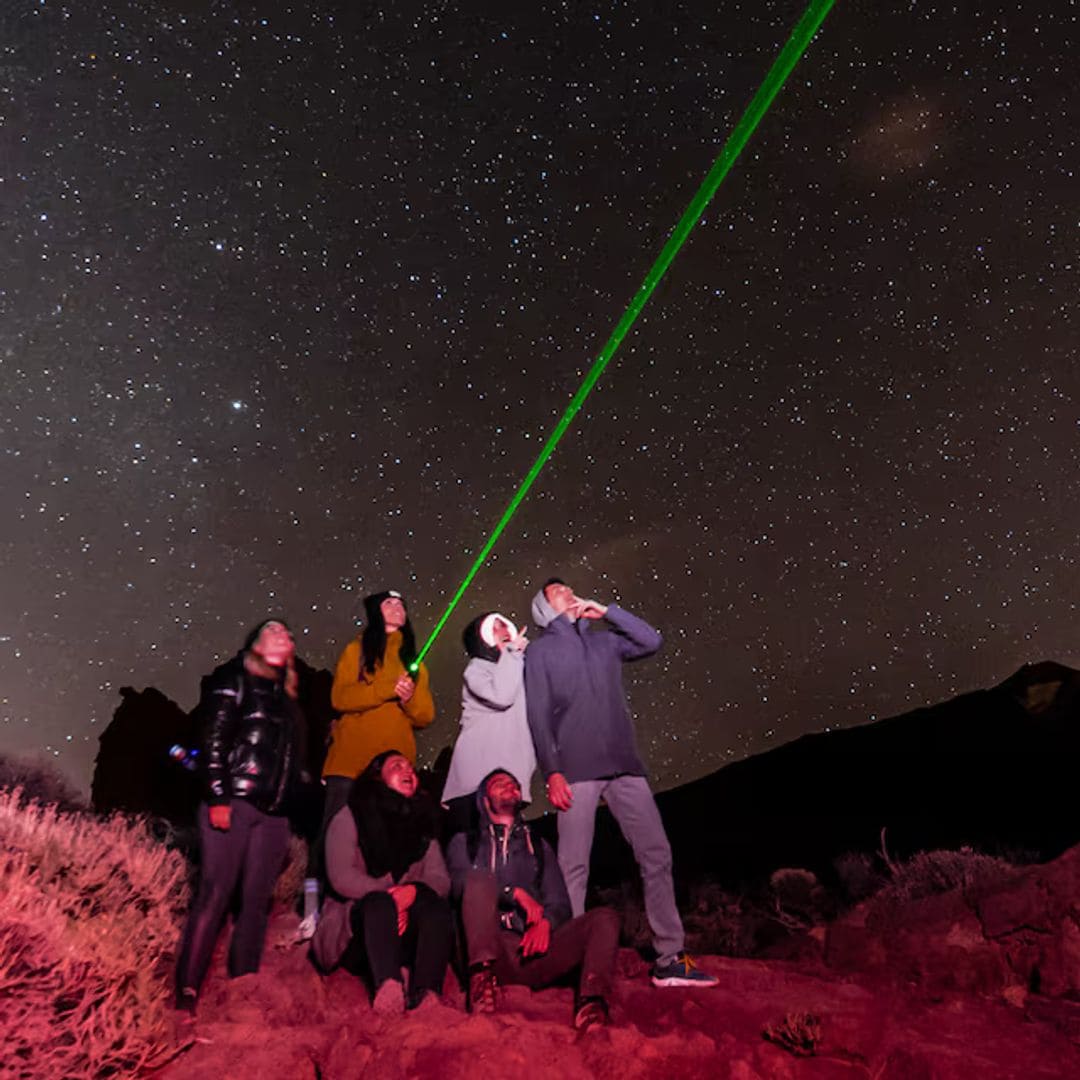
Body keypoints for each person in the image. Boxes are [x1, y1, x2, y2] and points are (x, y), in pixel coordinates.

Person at [525, 579, 717, 988]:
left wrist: (608, 612)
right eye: (559, 591)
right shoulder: (541, 652)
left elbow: (651, 641)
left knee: (656, 854)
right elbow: (538, 715)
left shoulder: (606, 642)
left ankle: (670, 958)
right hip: (575, 770)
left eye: (569, 588)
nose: (570, 592)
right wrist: (552, 771)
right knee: (572, 865)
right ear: (543, 608)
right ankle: (570, 958)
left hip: (625, 767)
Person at [175, 619, 303, 1011]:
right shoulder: (233, 679)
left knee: (256, 901)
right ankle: (186, 992)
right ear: (255, 645)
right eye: (273, 630)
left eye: (288, 632)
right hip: (234, 802)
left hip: (274, 814)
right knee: (215, 894)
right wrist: (218, 797)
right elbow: (212, 741)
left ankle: (244, 984)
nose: (284, 635)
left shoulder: (287, 699)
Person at [446, 768, 619, 1030]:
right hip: (488, 952)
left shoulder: (537, 846)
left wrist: (546, 923)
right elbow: (458, 885)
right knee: (478, 880)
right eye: (499, 784)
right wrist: (513, 893)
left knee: (604, 918)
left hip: (530, 952)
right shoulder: (464, 842)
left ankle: (592, 1002)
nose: (509, 786)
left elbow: (559, 902)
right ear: (483, 800)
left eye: (514, 784)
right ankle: (481, 986)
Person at [311, 751, 452, 1014]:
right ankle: (388, 987)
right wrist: (391, 897)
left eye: (411, 767)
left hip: (405, 926)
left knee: (436, 908)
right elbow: (341, 876)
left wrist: (412, 893)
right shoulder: (351, 815)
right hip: (356, 933)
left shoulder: (424, 824)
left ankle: (427, 994)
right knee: (378, 904)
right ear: (378, 777)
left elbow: (440, 879)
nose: (408, 771)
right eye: (397, 766)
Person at [322, 590, 435, 829]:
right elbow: (340, 698)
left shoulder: (415, 663)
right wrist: (386, 688)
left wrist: (408, 698)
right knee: (336, 837)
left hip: (393, 768)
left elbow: (425, 716)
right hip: (350, 763)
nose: (397, 607)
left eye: (401, 604)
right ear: (376, 612)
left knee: (384, 841)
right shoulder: (356, 650)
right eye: (389, 603)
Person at [440, 611, 534, 837]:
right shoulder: (476, 668)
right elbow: (501, 696)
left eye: (504, 626)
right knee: (472, 852)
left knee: (505, 851)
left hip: (510, 781)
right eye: (494, 628)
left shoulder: (518, 670)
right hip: (476, 783)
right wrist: (512, 654)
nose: (502, 631)